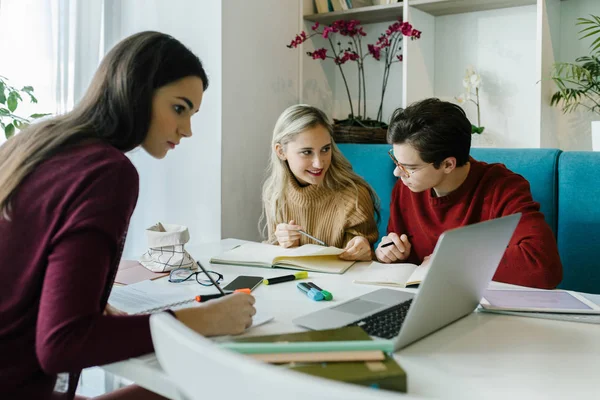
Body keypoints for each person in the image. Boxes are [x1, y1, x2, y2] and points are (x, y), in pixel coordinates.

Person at [0, 31, 255, 399]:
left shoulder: (35, 142)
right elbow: (62, 344)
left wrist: (87, 300)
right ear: (137, 91)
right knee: (206, 386)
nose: (187, 130)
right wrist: (203, 320)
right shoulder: (107, 171)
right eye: (179, 108)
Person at [374, 98, 562, 289]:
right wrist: (388, 253)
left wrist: (455, 262)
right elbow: (402, 261)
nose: (397, 173)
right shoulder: (407, 186)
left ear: (448, 164)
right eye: (396, 161)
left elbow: (544, 267)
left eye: (409, 167)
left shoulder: (503, 188)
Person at [260, 104, 379, 261]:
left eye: (325, 149)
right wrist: (281, 245)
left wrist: (365, 252)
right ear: (281, 151)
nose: (319, 164)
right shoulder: (275, 194)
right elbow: (273, 263)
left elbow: (365, 265)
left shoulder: (354, 196)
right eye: (307, 152)